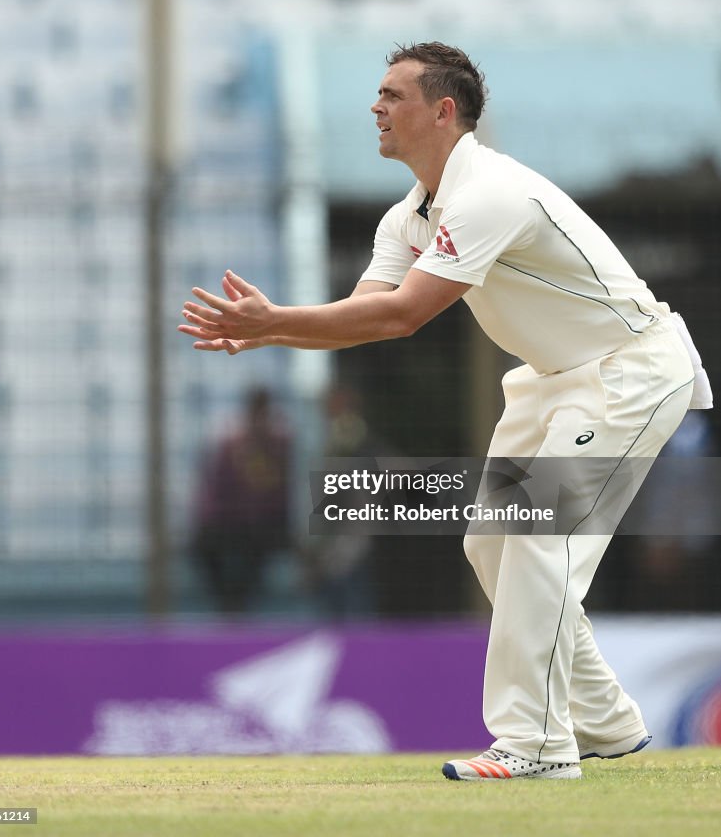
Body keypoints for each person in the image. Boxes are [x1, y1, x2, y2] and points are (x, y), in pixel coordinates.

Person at [178, 41, 711, 780]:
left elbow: (403, 317)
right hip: (553, 379)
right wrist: (270, 325)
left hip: (625, 373)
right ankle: (607, 723)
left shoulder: (489, 191)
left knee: (534, 541)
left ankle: (536, 746)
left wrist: (272, 325)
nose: (376, 107)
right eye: (376, 93)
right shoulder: (408, 216)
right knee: (491, 544)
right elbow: (367, 312)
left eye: (392, 95)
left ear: (443, 110)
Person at [190, 385, 290, 614]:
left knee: (257, 549)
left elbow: (276, 490)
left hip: (264, 523)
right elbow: (216, 489)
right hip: (230, 521)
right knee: (202, 545)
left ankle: (240, 604)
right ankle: (229, 604)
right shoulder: (231, 445)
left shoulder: (279, 445)